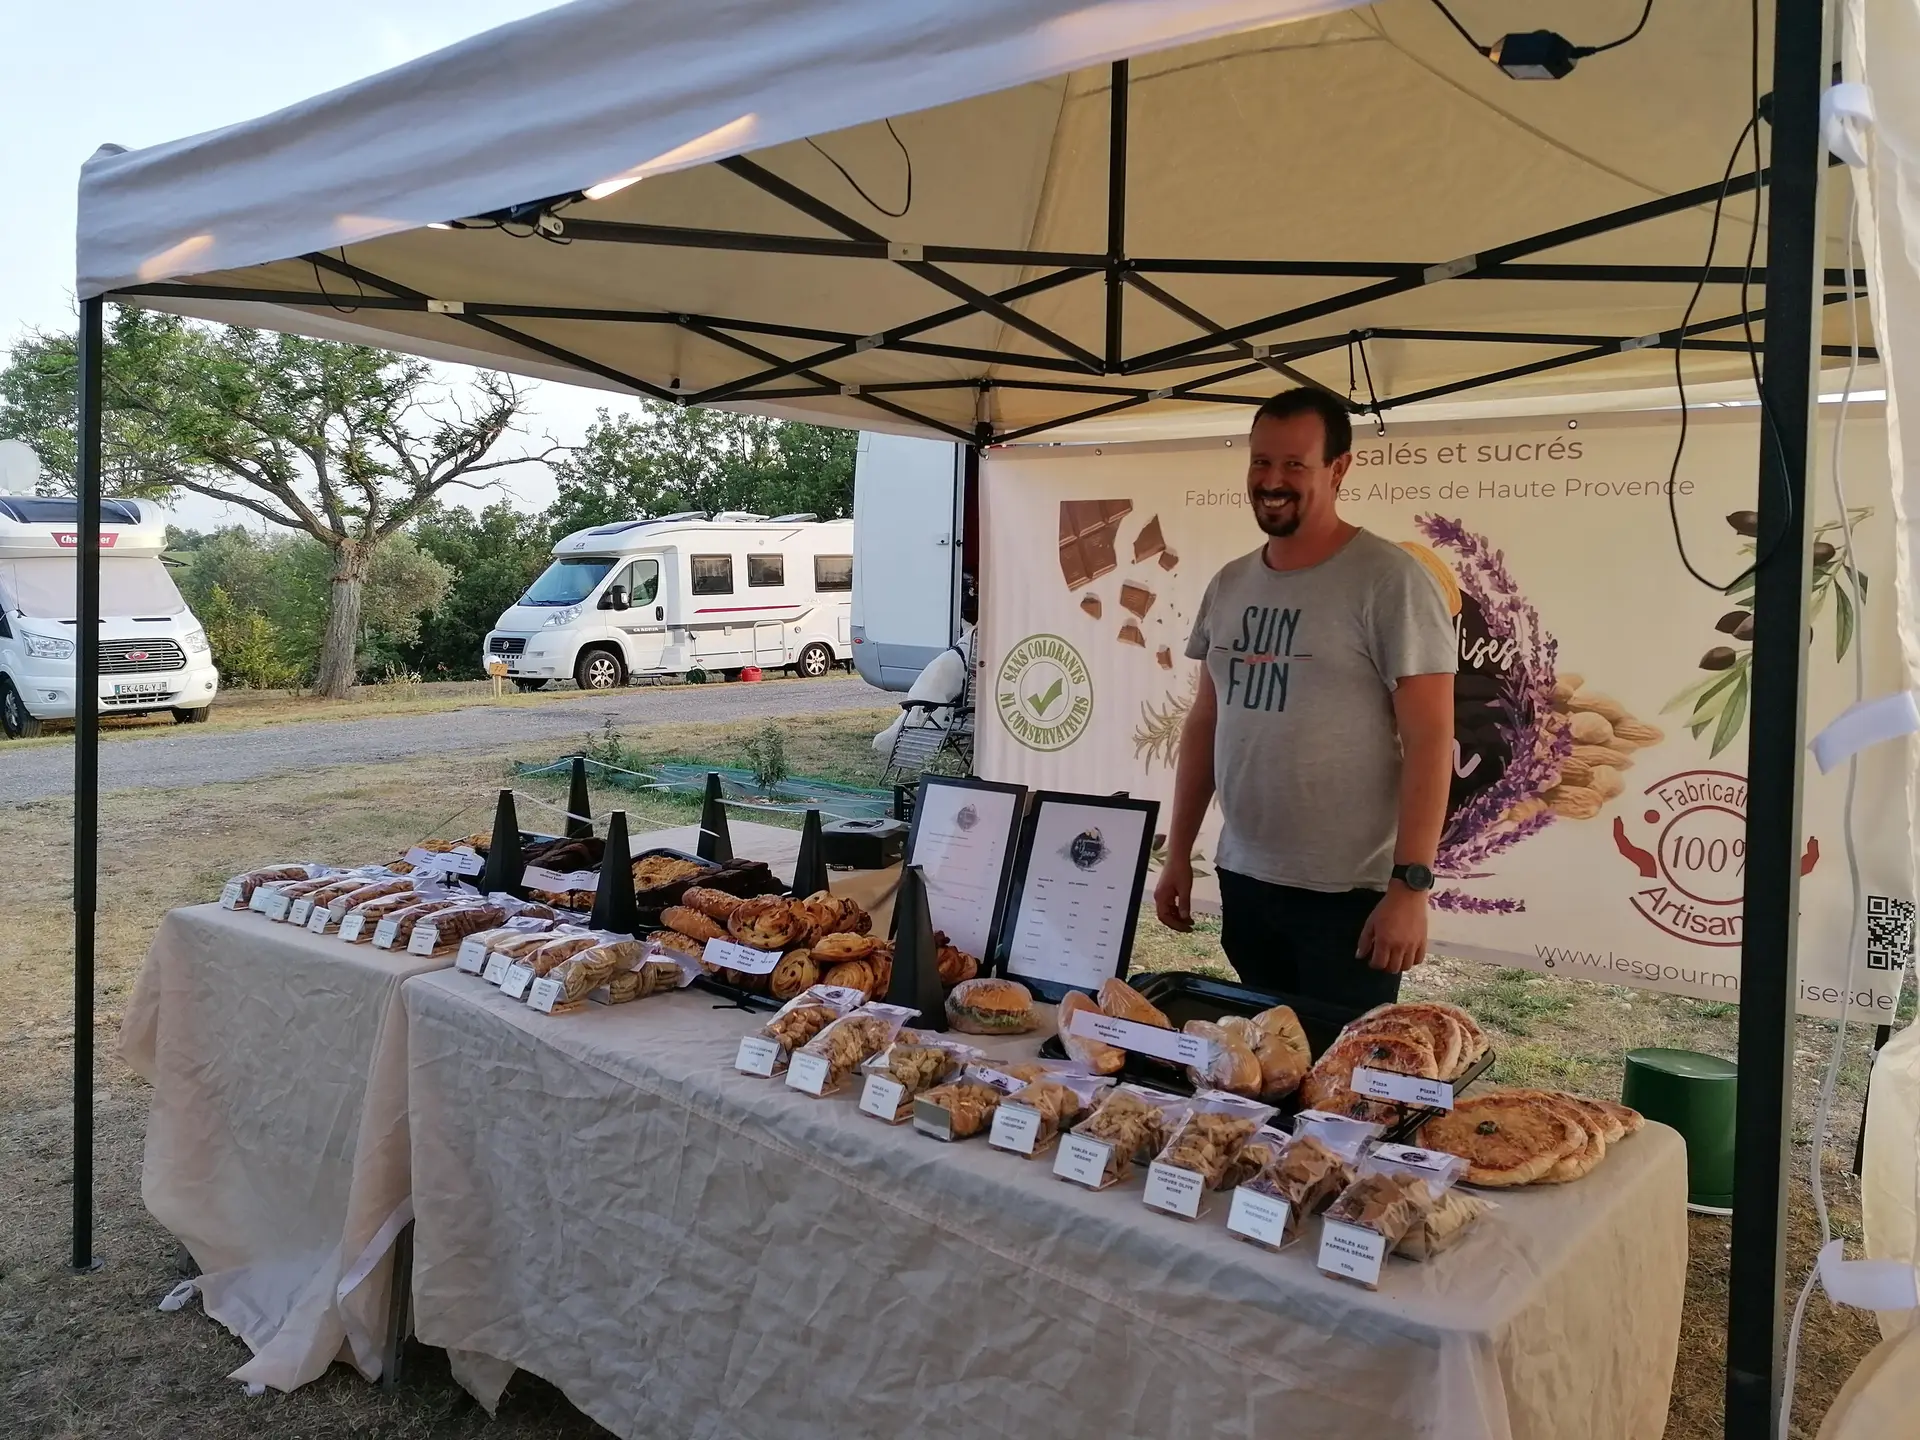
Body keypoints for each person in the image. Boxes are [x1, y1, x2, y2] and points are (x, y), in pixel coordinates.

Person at [1152, 388, 1456, 1012]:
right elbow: (1207, 722)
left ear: (1338, 469)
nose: (1272, 481)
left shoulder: (1391, 581)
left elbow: (1430, 741)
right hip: (1246, 879)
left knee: (1343, 1067)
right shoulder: (1230, 583)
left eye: (1295, 464)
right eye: (1261, 462)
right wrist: (1178, 853)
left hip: (1349, 896)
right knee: (1266, 1058)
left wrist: (1410, 887)